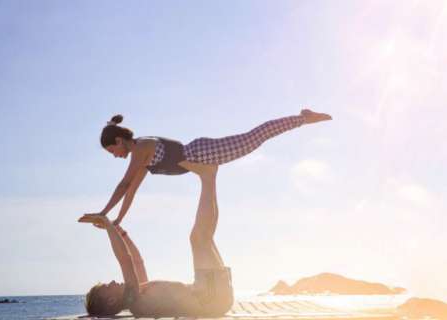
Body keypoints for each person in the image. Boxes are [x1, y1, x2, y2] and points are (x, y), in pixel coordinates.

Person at [78, 109, 332, 225]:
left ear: (120, 141)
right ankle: (302, 118)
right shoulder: (141, 159)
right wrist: (118, 219)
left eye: (113, 151)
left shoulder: (140, 148)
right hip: (201, 159)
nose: (115, 156)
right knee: (254, 138)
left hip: (202, 153)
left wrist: (102, 212)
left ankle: (303, 118)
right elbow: (131, 191)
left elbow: (123, 184)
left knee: (255, 137)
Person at [79, 198, 233, 317]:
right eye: (108, 286)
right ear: (111, 300)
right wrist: (108, 226)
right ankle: (207, 178)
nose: (112, 281)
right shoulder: (134, 300)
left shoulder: (138, 293)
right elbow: (125, 259)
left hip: (211, 296)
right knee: (200, 238)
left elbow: (137, 261)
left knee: (204, 237)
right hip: (209, 297)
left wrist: (119, 231)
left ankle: (209, 178)